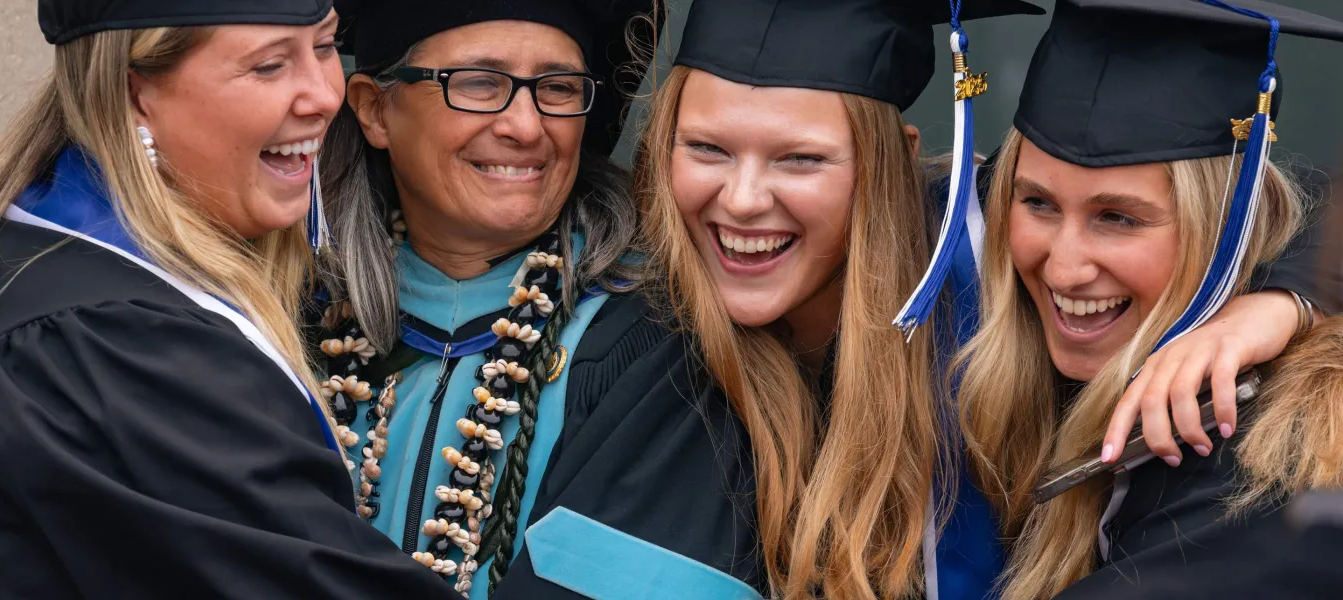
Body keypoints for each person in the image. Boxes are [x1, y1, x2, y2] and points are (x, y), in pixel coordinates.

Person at [0, 1, 462, 598]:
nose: (324, 95)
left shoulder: (35, 261)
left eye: (324, 46)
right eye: (269, 66)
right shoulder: (118, 352)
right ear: (137, 95)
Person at [314, 1, 765, 597]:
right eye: (478, 83)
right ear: (374, 110)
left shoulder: (657, 345)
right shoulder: (290, 325)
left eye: (556, 88)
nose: (526, 126)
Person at [633, 1, 1048, 598]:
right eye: (707, 149)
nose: (744, 199)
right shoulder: (633, 347)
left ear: (894, 161)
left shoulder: (996, 308)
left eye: (800, 159)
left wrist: (1236, 319)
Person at [955, 0, 1343, 596]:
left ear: (1234, 219)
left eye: (1117, 218)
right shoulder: (969, 283)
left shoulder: (1265, 470)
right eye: (1038, 203)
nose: (1063, 267)